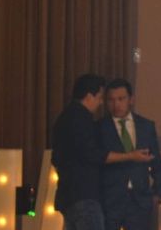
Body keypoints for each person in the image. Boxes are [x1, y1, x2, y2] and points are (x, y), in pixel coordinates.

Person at [51, 74, 154, 230]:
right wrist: (130, 156)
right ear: (89, 96)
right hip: (85, 196)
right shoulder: (83, 119)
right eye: (100, 98)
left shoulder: (64, 117)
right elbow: (94, 154)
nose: (101, 103)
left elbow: (56, 158)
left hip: (68, 196)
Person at [97, 79, 161, 230]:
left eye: (121, 99)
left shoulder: (146, 126)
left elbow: (157, 163)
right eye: (111, 100)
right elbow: (98, 160)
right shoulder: (100, 128)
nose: (116, 105)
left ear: (131, 100)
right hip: (110, 200)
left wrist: (158, 193)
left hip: (140, 199)